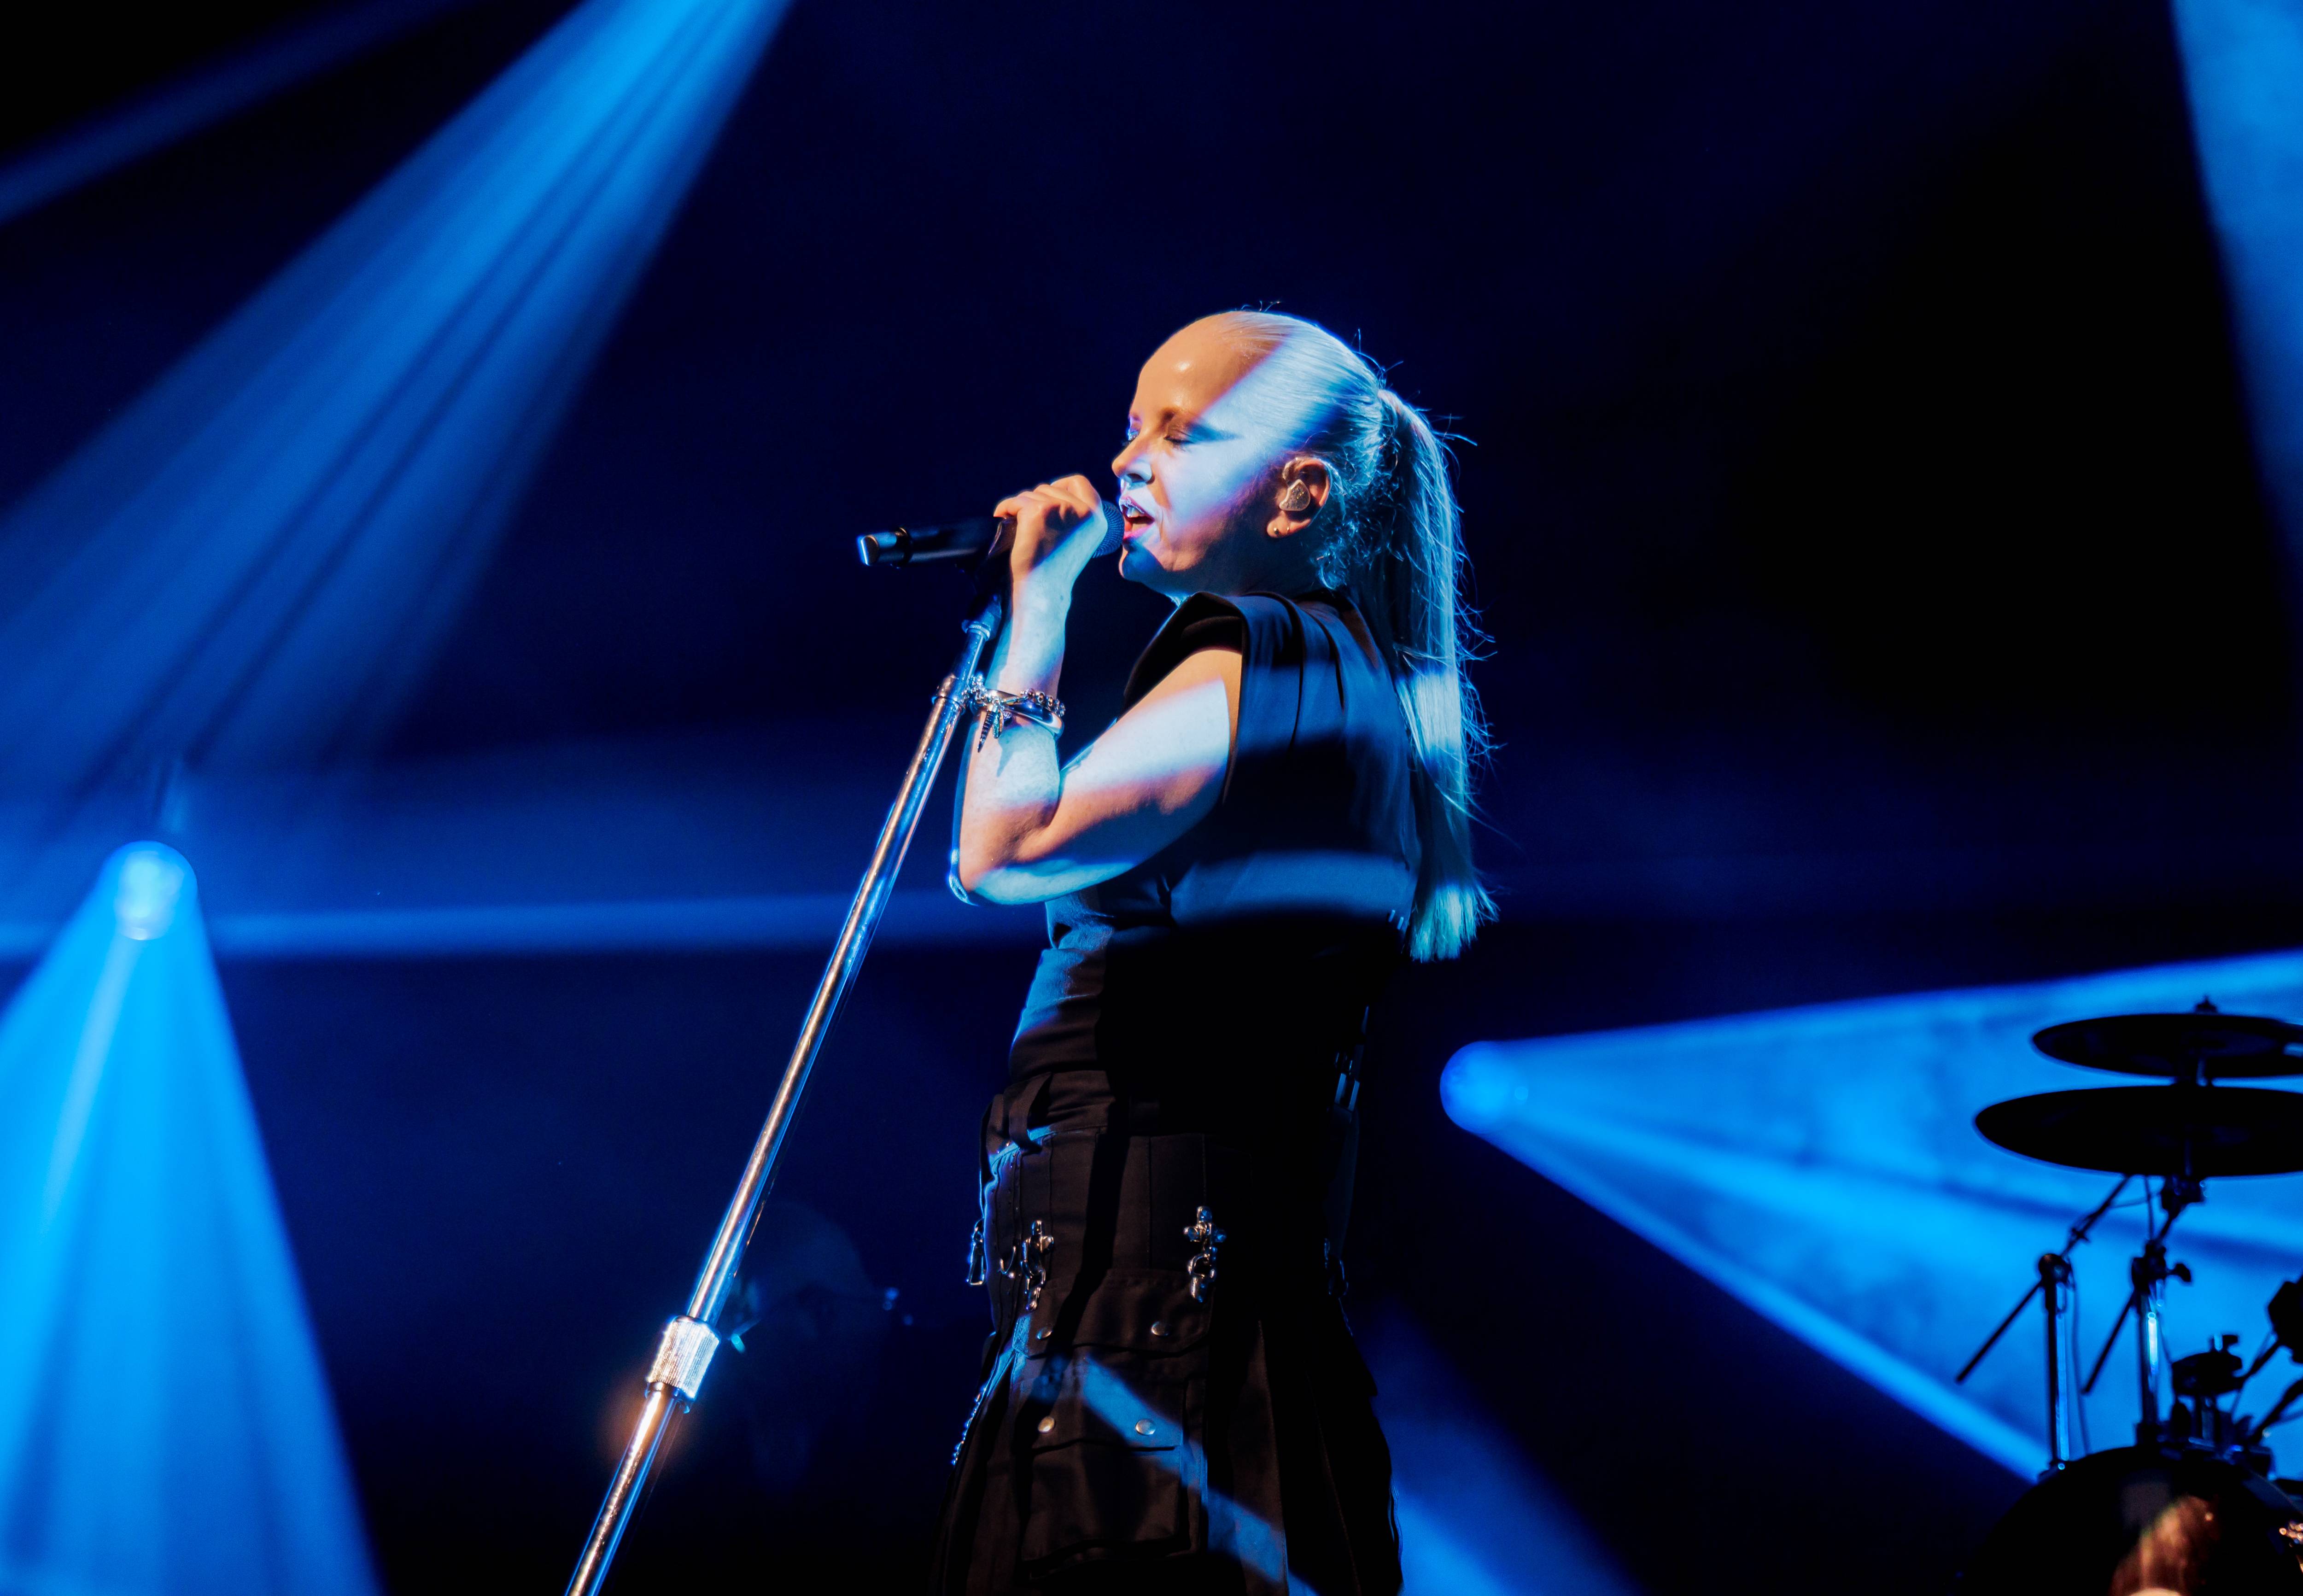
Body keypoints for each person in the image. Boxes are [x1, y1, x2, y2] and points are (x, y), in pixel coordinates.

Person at [932, 310, 1489, 1596]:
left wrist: (1036, 613)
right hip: (1184, 1347)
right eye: (1133, 427)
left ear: (1299, 495)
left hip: (1153, 1358)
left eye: (1181, 435)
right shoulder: (1335, 677)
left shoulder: (1265, 652)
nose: (1128, 461)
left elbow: (1005, 847)